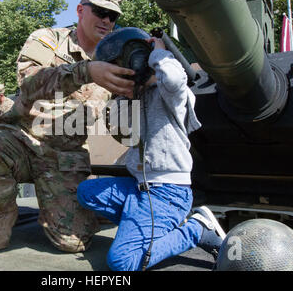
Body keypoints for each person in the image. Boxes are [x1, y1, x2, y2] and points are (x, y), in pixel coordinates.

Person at [0, 0, 135, 252]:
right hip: (21, 140)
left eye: (113, 16)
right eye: (100, 12)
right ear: (80, 10)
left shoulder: (117, 58)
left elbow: (127, 118)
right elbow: (29, 84)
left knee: (73, 244)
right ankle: (5, 210)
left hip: (65, 157)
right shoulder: (49, 40)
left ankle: (62, 209)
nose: (106, 21)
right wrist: (86, 72)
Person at [76, 37, 226, 271]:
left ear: (135, 62)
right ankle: (148, 232)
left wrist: (158, 52)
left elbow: (175, 78)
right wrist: (126, 96)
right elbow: (123, 131)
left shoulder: (170, 93)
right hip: (140, 187)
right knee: (87, 192)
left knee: (122, 262)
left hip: (167, 192)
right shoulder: (136, 98)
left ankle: (196, 229)